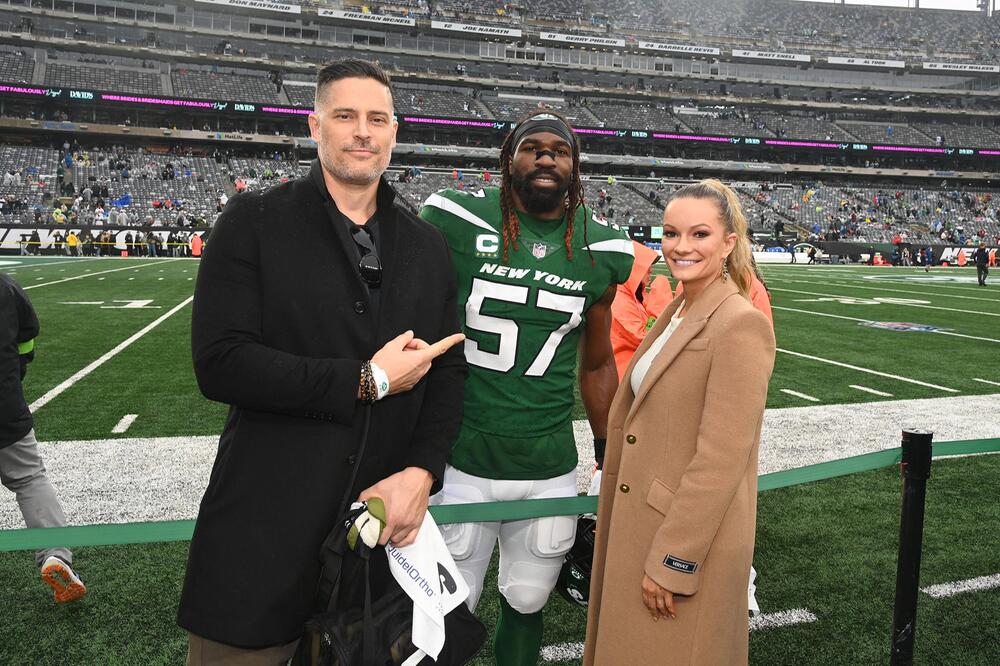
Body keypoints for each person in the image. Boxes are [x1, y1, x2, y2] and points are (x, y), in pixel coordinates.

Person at [177, 59, 467, 665]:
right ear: (315, 126)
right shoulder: (254, 222)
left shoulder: (427, 244)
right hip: (265, 525)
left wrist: (423, 472)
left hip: (378, 536)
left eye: (377, 119)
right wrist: (366, 380)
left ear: (394, 132)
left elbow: (447, 370)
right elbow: (221, 363)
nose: (363, 131)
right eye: (345, 116)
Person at [420, 110, 634, 666]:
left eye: (558, 151)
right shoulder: (453, 218)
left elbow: (596, 363)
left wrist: (608, 451)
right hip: (462, 456)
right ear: (507, 159)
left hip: (548, 462)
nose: (545, 158)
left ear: (575, 166)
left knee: (528, 597)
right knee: (448, 604)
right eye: (531, 148)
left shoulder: (602, 247)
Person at [585, 179, 775, 665]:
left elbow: (721, 458)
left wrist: (675, 561)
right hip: (643, 525)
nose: (681, 247)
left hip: (679, 541)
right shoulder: (679, 307)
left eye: (699, 234)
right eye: (671, 233)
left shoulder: (738, 322)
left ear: (729, 242)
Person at [1, 273, 87, 604]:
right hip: (5, 402)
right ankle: (55, 555)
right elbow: (28, 332)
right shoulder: (5, 286)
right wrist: (17, 369)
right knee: (29, 479)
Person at [611, 240, 673, 379]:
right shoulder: (619, 300)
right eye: (646, 266)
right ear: (633, 268)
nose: (650, 269)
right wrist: (660, 306)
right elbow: (645, 339)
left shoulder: (632, 297)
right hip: (622, 378)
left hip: (631, 373)